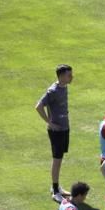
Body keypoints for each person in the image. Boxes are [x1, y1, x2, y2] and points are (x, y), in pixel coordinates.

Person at [36, 64, 74, 202]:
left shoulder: (64, 87)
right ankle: (55, 190)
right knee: (57, 160)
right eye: (69, 75)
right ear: (62, 76)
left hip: (64, 128)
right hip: (56, 131)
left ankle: (56, 187)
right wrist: (50, 122)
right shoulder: (52, 91)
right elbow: (39, 106)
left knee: (60, 158)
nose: (72, 77)